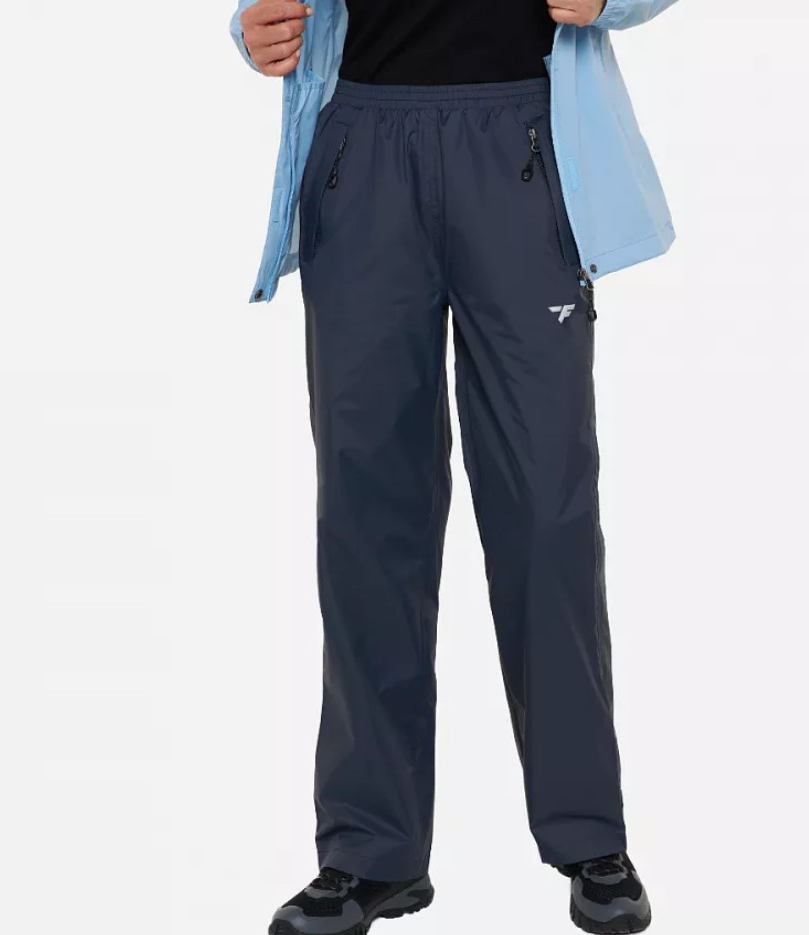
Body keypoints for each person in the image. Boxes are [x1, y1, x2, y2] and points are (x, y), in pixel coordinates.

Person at [230, 0, 679, 931]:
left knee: (548, 511)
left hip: (522, 143)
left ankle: (589, 833)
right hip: (361, 143)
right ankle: (369, 850)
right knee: (365, 515)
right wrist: (252, 23)